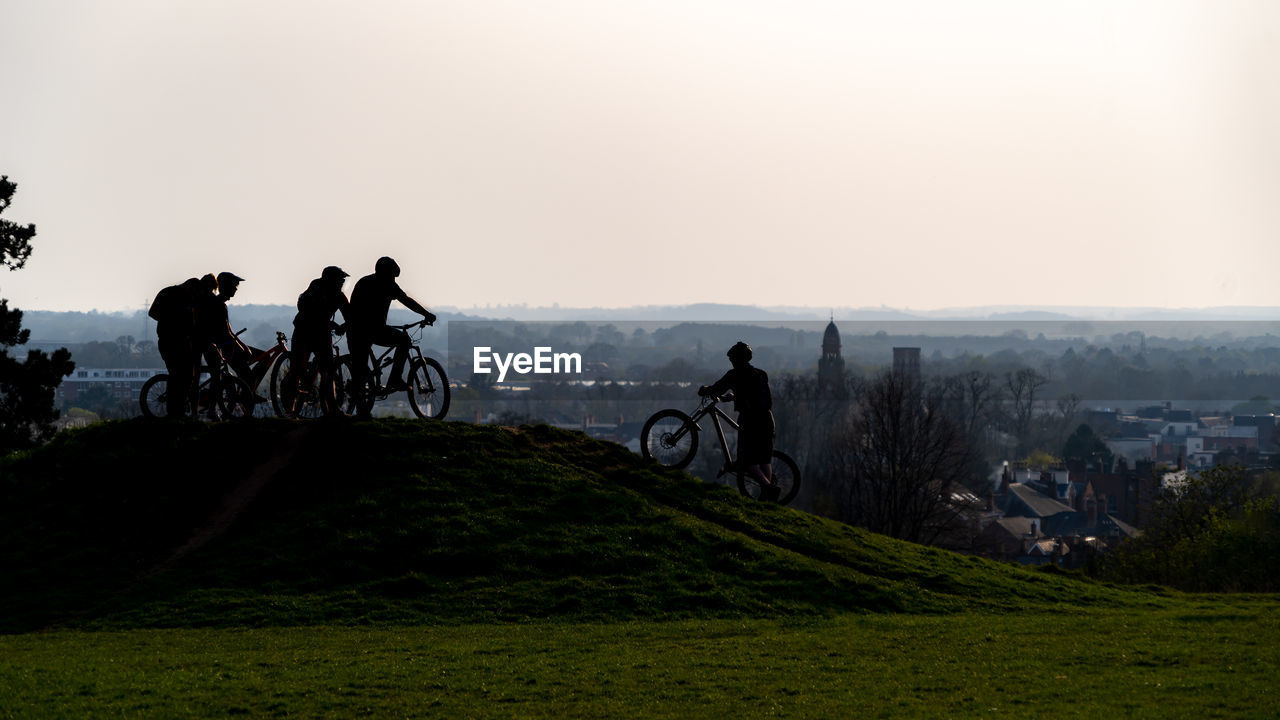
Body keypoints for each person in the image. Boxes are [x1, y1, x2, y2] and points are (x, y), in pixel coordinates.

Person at [347, 257, 436, 416]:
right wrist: (426, 314)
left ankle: (364, 407)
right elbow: (407, 301)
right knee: (402, 341)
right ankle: (394, 379)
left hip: (359, 330)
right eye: (392, 276)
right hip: (367, 330)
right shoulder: (385, 284)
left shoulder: (366, 282)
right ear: (387, 273)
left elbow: (406, 300)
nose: (393, 279)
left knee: (362, 368)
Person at [698, 341, 779, 500]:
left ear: (736, 359)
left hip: (750, 421)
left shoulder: (733, 375)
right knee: (763, 460)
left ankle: (769, 488)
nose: (731, 362)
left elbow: (716, 388)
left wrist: (704, 390)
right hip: (767, 419)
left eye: (732, 359)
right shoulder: (760, 374)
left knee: (747, 463)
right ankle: (768, 496)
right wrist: (733, 397)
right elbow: (752, 393)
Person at [148, 275, 211, 417]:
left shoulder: (166, 292)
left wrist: (166, 322)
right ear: (191, 287)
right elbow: (193, 322)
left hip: (169, 341)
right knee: (182, 377)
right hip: (177, 342)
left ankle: (176, 412)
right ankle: (176, 412)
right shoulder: (185, 298)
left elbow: (152, 313)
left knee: (178, 375)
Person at [197, 271, 264, 404]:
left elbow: (228, 330)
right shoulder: (218, 305)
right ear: (226, 286)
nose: (236, 289)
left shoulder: (220, 304)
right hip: (224, 347)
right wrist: (242, 348)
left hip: (225, 345)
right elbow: (225, 333)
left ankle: (247, 391)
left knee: (260, 359)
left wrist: (243, 346)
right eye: (234, 286)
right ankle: (247, 393)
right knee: (254, 369)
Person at [290, 265, 351, 397]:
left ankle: (291, 405)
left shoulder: (315, 285)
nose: (342, 282)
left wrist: (335, 324)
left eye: (343, 280)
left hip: (302, 328)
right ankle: (331, 409)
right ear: (332, 279)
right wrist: (343, 327)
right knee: (327, 371)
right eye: (340, 279)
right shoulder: (337, 295)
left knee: (298, 369)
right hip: (316, 332)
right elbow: (350, 316)